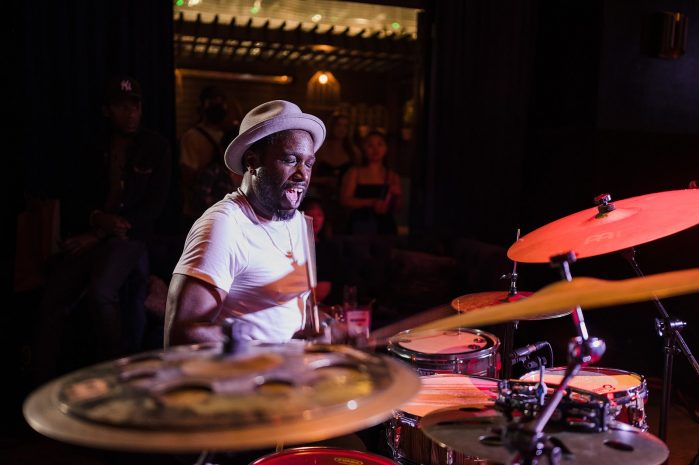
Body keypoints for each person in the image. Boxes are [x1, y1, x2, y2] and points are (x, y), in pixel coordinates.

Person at [31, 76, 171, 383]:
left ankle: (115, 375)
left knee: (102, 291)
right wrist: (95, 220)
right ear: (107, 110)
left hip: (130, 237)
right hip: (97, 234)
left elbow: (153, 209)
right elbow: (76, 196)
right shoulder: (92, 145)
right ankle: (42, 384)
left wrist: (97, 233)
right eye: (122, 107)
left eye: (135, 106)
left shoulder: (156, 146)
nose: (131, 113)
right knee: (53, 294)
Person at [165, 100, 326, 347]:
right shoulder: (224, 225)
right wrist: (265, 343)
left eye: (308, 163)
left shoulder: (296, 222)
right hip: (243, 372)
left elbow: (288, 313)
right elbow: (182, 334)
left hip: (290, 368)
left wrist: (327, 326)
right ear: (252, 161)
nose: (302, 174)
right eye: (290, 160)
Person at [178, 85, 230, 224]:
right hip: (197, 213)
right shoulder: (192, 136)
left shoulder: (228, 135)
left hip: (223, 212)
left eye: (221, 102)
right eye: (214, 102)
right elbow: (187, 175)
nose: (219, 107)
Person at [340, 130, 402, 235]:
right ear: (364, 149)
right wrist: (372, 202)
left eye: (380, 144)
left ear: (386, 148)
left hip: (385, 227)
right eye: (370, 145)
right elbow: (345, 200)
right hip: (360, 225)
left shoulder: (392, 176)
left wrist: (397, 196)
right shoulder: (355, 172)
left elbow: (397, 208)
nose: (375, 149)